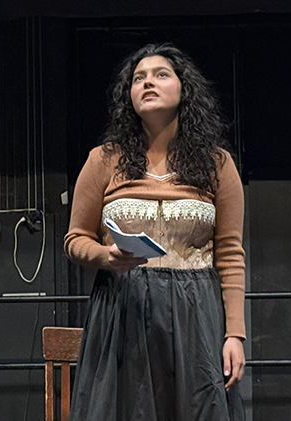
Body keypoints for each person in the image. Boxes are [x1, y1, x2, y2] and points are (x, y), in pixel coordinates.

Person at [64, 43, 246, 421]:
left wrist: (234, 335)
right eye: (138, 78)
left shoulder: (217, 163)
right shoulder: (103, 160)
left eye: (161, 74)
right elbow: (75, 239)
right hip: (123, 307)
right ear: (128, 96)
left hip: (196, 310)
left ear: (184, 88)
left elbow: (229, 254)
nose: (148, 83)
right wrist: (105, 257)